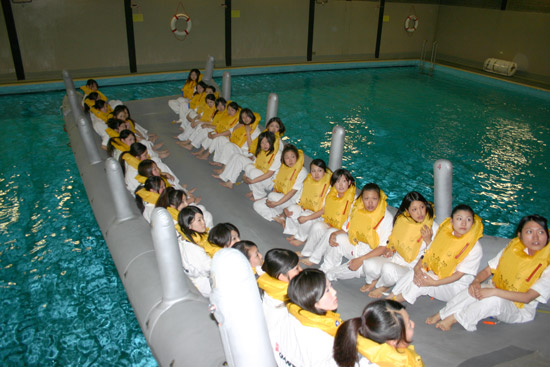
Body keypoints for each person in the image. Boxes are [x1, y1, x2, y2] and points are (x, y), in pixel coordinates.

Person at [428, 214, 550, 331]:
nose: (535, 238)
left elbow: (528, 297)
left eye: (540, 232)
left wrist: (494, 292)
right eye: (529, 232)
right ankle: (443, 314)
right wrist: (475, 282)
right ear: (520, 235)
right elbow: (487, 270)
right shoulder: (514, 249)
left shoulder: (547, 263)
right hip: (496, 289)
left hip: (518, 308)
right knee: (474, 290)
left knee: (493, 299)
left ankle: (456, 318)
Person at [388, 204, 484, 304]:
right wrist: (416, 269)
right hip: (437, 274)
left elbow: (458, 275)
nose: (463, 223)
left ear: (472, 224)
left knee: (422, 281)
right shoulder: (446, 235)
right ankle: (391, 296)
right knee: (417, 272)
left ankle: (391, 303)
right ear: (451, 221)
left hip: (455, 286)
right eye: (459, 219)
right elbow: (429, 253)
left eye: (468, 220)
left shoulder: (474, 248)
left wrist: (435, 283)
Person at [361, 192, 437, 298]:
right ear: (407, 211)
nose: (420, 212)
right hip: (395, 259)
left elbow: (435, 255)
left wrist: (428, 241)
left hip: (411, 267)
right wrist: (390, 249)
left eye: (422, 207)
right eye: (414, 209)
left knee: (388, 269)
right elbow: (394, 241)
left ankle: (384, 286)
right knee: (369, 264)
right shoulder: (403, 221)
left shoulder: (433, 227)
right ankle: (376, 280)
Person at [319, 183, 394, 283]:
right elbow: (346, 228)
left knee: (331, 274)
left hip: (370, 257)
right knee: (336, 236)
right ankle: (325, 268)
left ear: (379, 199)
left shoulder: (387, 218)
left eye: (374, 199)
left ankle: (331, 274)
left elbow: (383, 247)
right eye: (367, 199)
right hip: (356, 247)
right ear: (362, 199)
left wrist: (361, 260)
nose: (370, 203)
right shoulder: (358, 209)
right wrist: (334, 234)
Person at [272, 269, 342, 367]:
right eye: (327, 291)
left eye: (331, 286)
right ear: (311, 298)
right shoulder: (323, 340)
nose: (334, 292)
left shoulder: (287, 315)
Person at [333, 299, 423, 367]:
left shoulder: (353, 339)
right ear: (393, 342)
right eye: (409, 325)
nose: (413, 324)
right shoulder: (401, 362)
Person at [300, 169, 356, 266]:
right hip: (331, 223)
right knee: (318, 225)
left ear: (349, 182)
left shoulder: (353, 200)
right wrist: (308, 217)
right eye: (337, 181)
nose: (341, 185)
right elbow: (324, 210)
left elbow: (351, 223)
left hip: (345, 232)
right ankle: (306, 252)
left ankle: (314, 258)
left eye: (344, 181)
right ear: (333, 184)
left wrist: (336, 231)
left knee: (331, 232)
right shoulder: (332, 194)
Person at [214, 131, 282, 198]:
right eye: (262, 143)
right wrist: (244, 175)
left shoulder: (278, 155)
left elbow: (269, 174)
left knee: (253, 171)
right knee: (238, 157)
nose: (265, 145)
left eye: (267, 142)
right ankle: (229, 181)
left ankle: (260, 195)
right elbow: (254, 164)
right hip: (260, 172)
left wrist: (252, 181)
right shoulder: (261, 151)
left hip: (270, 181)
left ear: (272, 142)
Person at [283, 159, 332, 246]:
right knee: (292, 209)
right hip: (305, 209)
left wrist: (307, 217)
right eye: (313, 171)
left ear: (324, 172)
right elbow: (298, 200)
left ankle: (302, 238)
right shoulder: (308, 181)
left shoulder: (328, 187)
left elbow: (324, 210)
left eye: (320, 171)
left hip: (318, 216)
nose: (316, 174)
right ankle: (295, 231)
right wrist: (287, 209)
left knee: (305, 216)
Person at [253, 144, 308, 222]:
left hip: (292, 201)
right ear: (283, 159)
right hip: (280, 197)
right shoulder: (282, 168)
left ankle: (281, 212)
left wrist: (276, 203)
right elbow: (276, 186)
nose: (290, 160)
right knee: (257, 205)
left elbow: (292, 192)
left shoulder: (302, 172)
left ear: (297, 157)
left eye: (293, 157)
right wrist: (269, 201)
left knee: (271, 196)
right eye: (287, 158)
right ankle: (277, 217)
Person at [177, 206, 212, 297]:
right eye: (199, 220)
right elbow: (208, 268)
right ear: (189, 225)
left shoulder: (187, 238)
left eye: (202, 218)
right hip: (204, 284)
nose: (203, 222)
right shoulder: (192, 248)